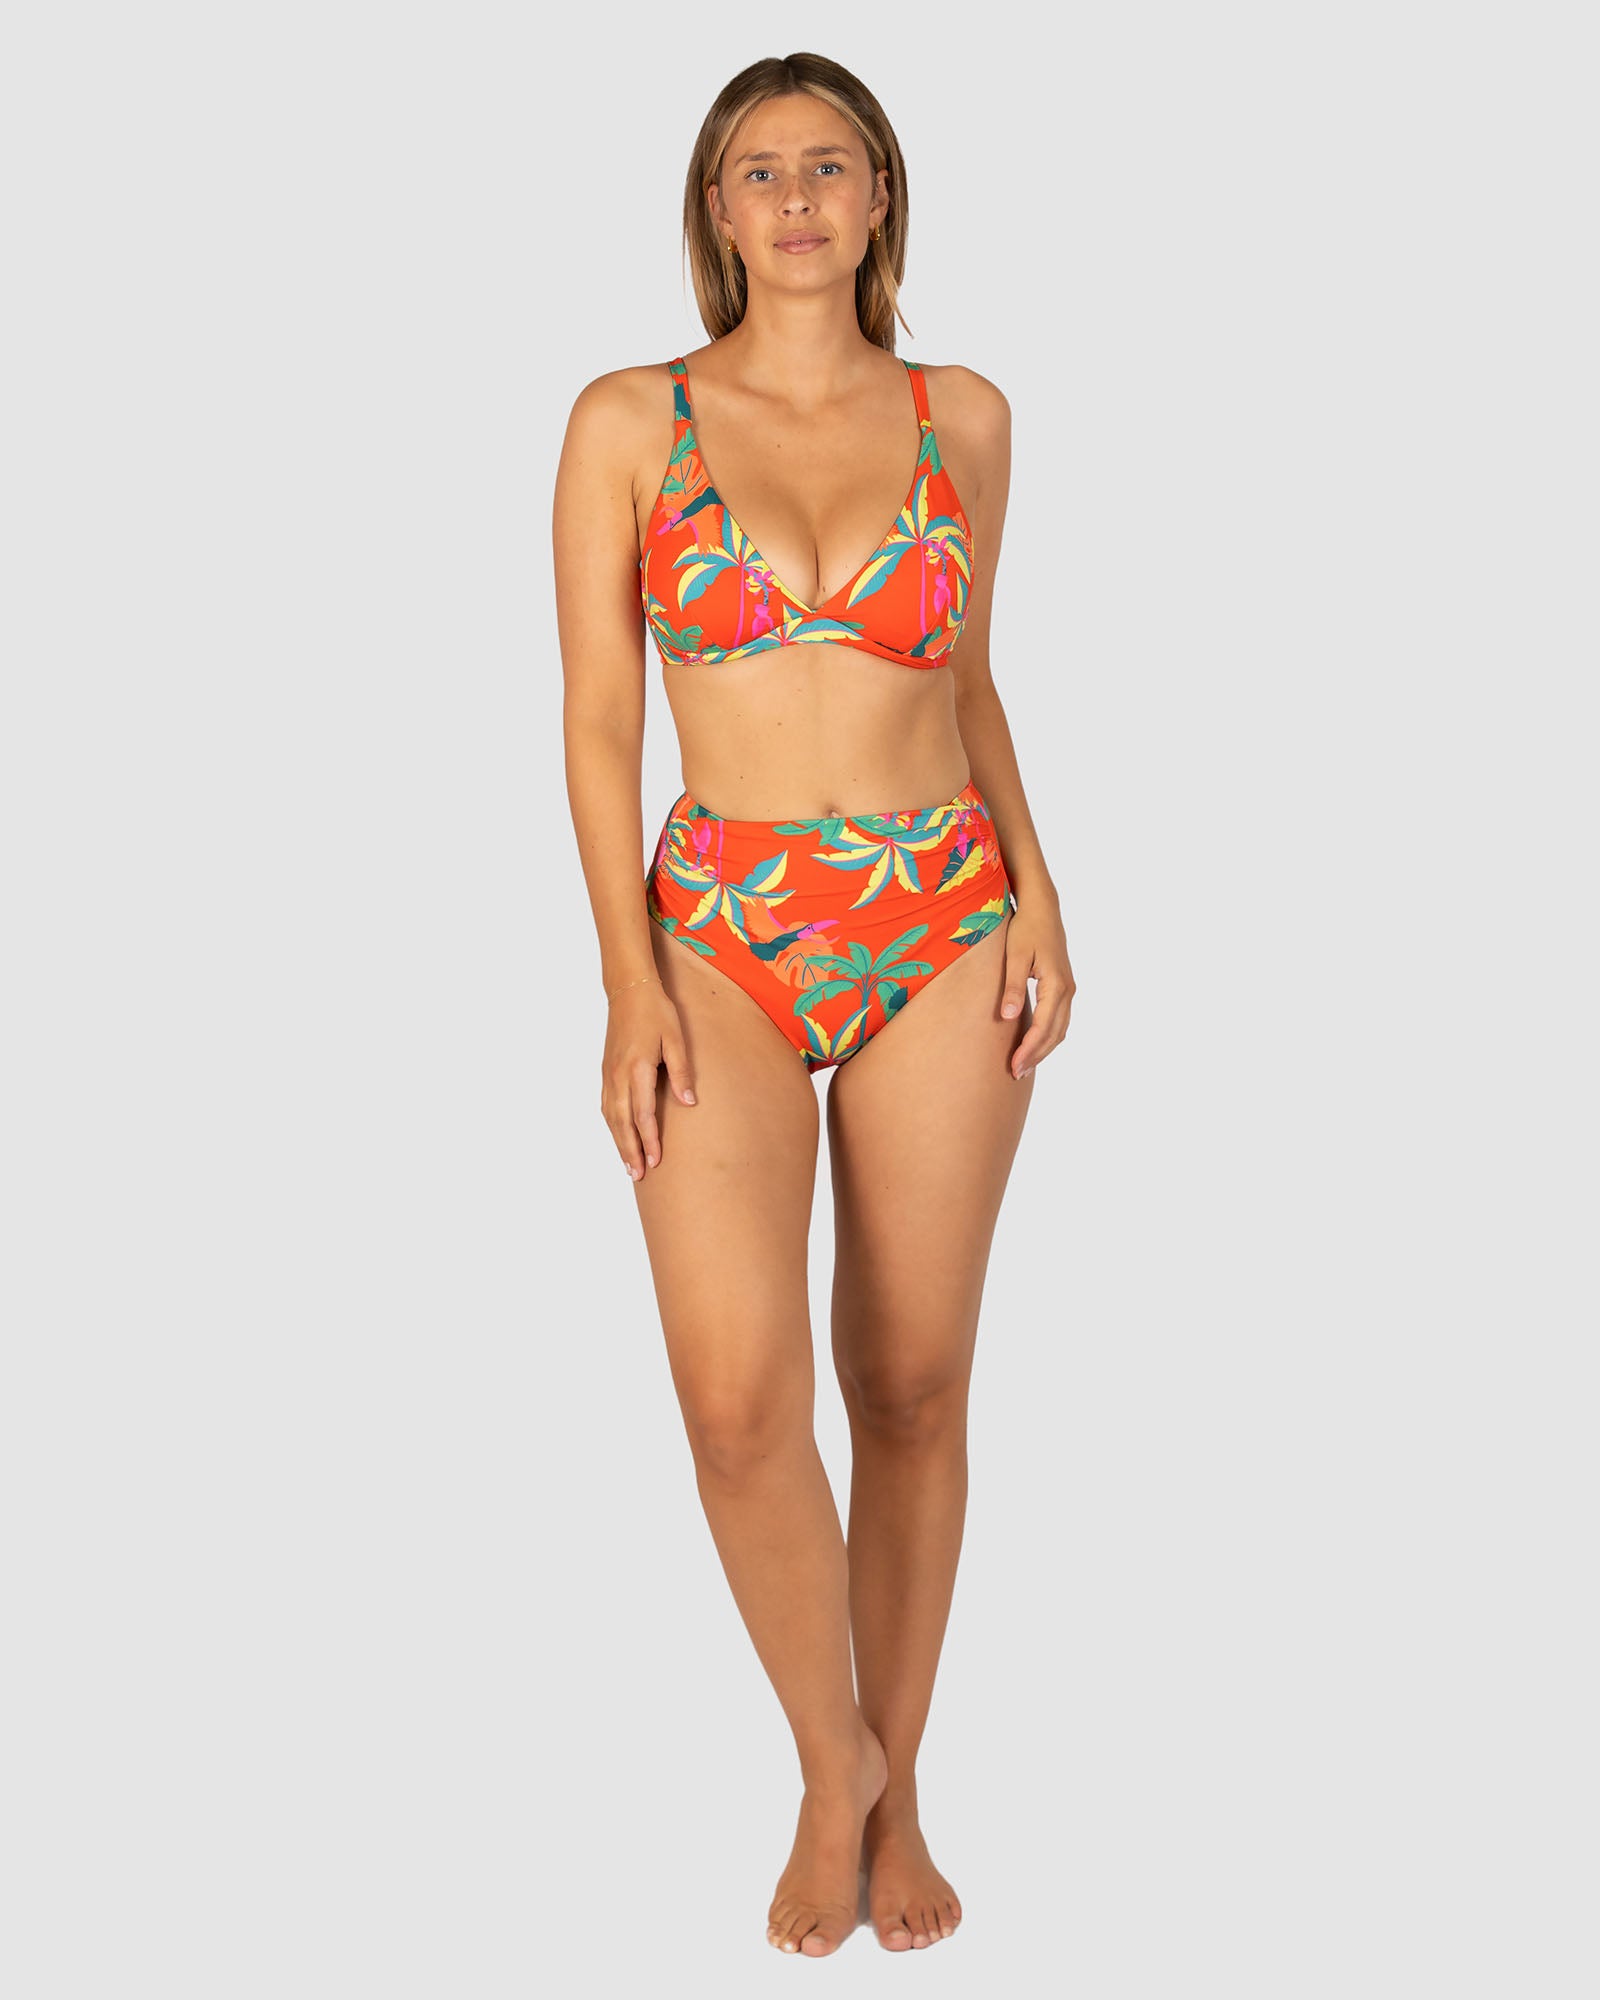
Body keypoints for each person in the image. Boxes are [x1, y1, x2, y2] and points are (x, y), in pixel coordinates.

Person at [554, 49, 1075, 1959]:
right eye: (759, 170)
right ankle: (827, 1759)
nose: (794, 198)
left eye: (828, 166)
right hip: (721, 929)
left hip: (943, 909)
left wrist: (1042, 893)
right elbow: (598, 723)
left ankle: (902, 1787)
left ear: (879, 198)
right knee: (736, 1398)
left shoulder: (966, 417)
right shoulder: (631, 419)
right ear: (716, 207)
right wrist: (626, 978)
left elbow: (973, 681)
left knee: (912, 1378)